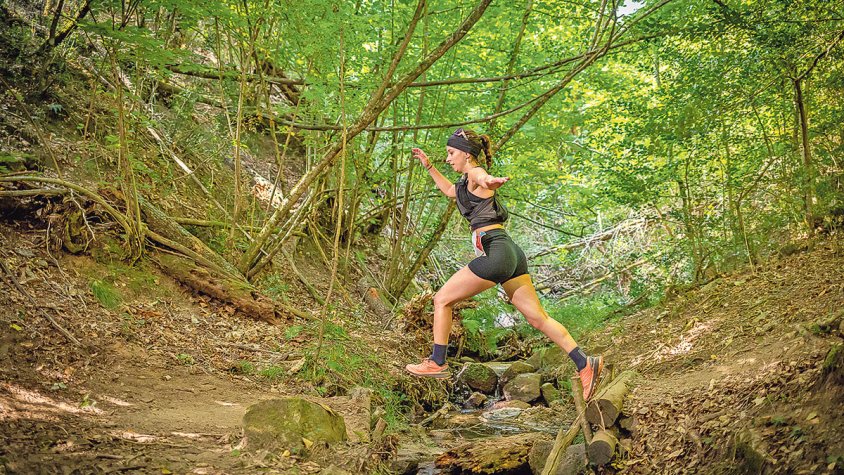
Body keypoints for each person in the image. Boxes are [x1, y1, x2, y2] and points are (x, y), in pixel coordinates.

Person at [404, 128, 604, 401]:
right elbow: (450, 191)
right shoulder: (463, 184)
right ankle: (585, 363)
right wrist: (428, 167)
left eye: (451, 153)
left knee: (441, 300)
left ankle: (437, 362)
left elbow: (480, 176)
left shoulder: (475, 175)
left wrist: (490, 180)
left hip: (497, 252)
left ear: (466, 153)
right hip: (512, 254)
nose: (448, 159)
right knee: (538, 318)